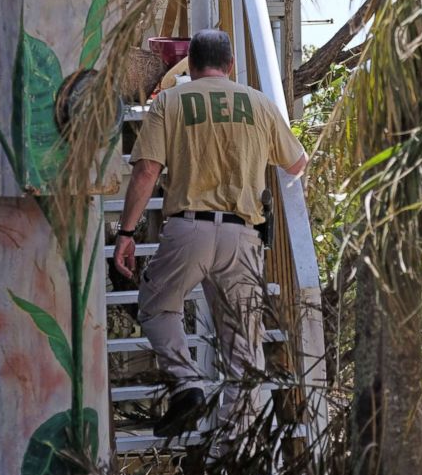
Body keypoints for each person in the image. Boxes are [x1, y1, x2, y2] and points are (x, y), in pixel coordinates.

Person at [113, 28, 308, 441]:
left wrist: (127, 233)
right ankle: (231, 451)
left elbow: (147, 170)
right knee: (242, 351)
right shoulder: (260, 103)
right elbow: (296, 164)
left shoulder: (170, 101)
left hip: (188, 228)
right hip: (244, 236)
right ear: (230, 66)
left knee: (155, 306)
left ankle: (186, 383)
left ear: (192, 66)